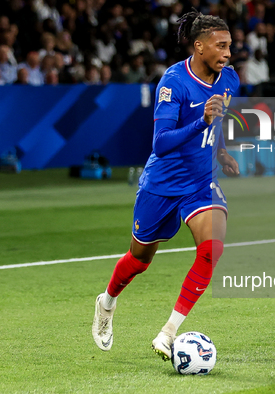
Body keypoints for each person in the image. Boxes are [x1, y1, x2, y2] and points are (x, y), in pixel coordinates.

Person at [91, 8, 240, 362]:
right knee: (140, 259)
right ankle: (107, 302)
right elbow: (161, 142)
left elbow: (216, 122)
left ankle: (168, 333)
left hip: (201, 183)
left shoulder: (230, 79)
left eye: (230, 46)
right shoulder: (174, 82)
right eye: (221, 46)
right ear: (199, 46)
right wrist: (201, 122)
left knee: (212, 249)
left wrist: (220, 153)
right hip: (162, 184)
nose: (228, 53)